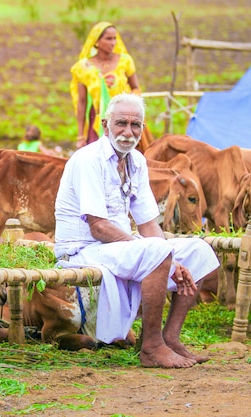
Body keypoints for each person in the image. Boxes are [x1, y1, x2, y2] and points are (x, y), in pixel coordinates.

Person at [54, 93, 219, 368]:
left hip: (119, 246)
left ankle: (170, 337)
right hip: (84, 248)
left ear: (142, 129)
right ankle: (151, 347)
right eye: (121, 124)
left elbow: (148, 223)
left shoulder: (137, 161)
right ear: (105, 125)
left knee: (199, 249)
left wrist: (171, 257)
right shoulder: (88, 160)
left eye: (135, 125)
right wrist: (156, 251)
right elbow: (98, 227)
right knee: (156, 249)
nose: (128, 132)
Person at [70, 21, 149, 149]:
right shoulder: (83, 67)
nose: (113, 43)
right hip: (98, 120)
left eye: (114, 39)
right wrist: (80, 135)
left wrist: (130, 102)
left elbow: (136, 87)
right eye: (108, 39)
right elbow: (82, 102)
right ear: (96, 41)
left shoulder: (125, 61)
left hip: (125, 117)